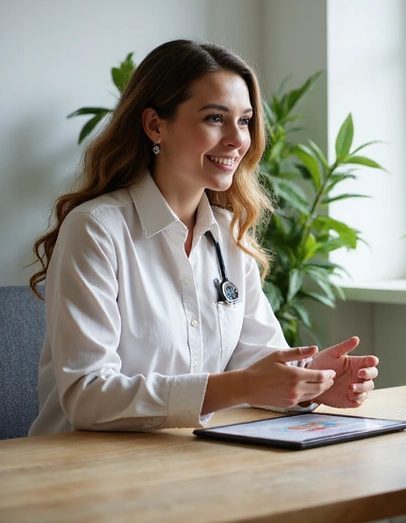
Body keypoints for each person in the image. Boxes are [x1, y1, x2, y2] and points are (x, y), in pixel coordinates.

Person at [28, 39, 378, 435]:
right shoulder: (95, 229)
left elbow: (257, 361)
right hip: (80, 464)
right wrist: (241, 386)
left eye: (245, 121)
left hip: (185, 457)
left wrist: (312, 382)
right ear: (155, 125)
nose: (237, 140)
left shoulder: (228, 235)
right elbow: (88, 396)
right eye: (215, 118)